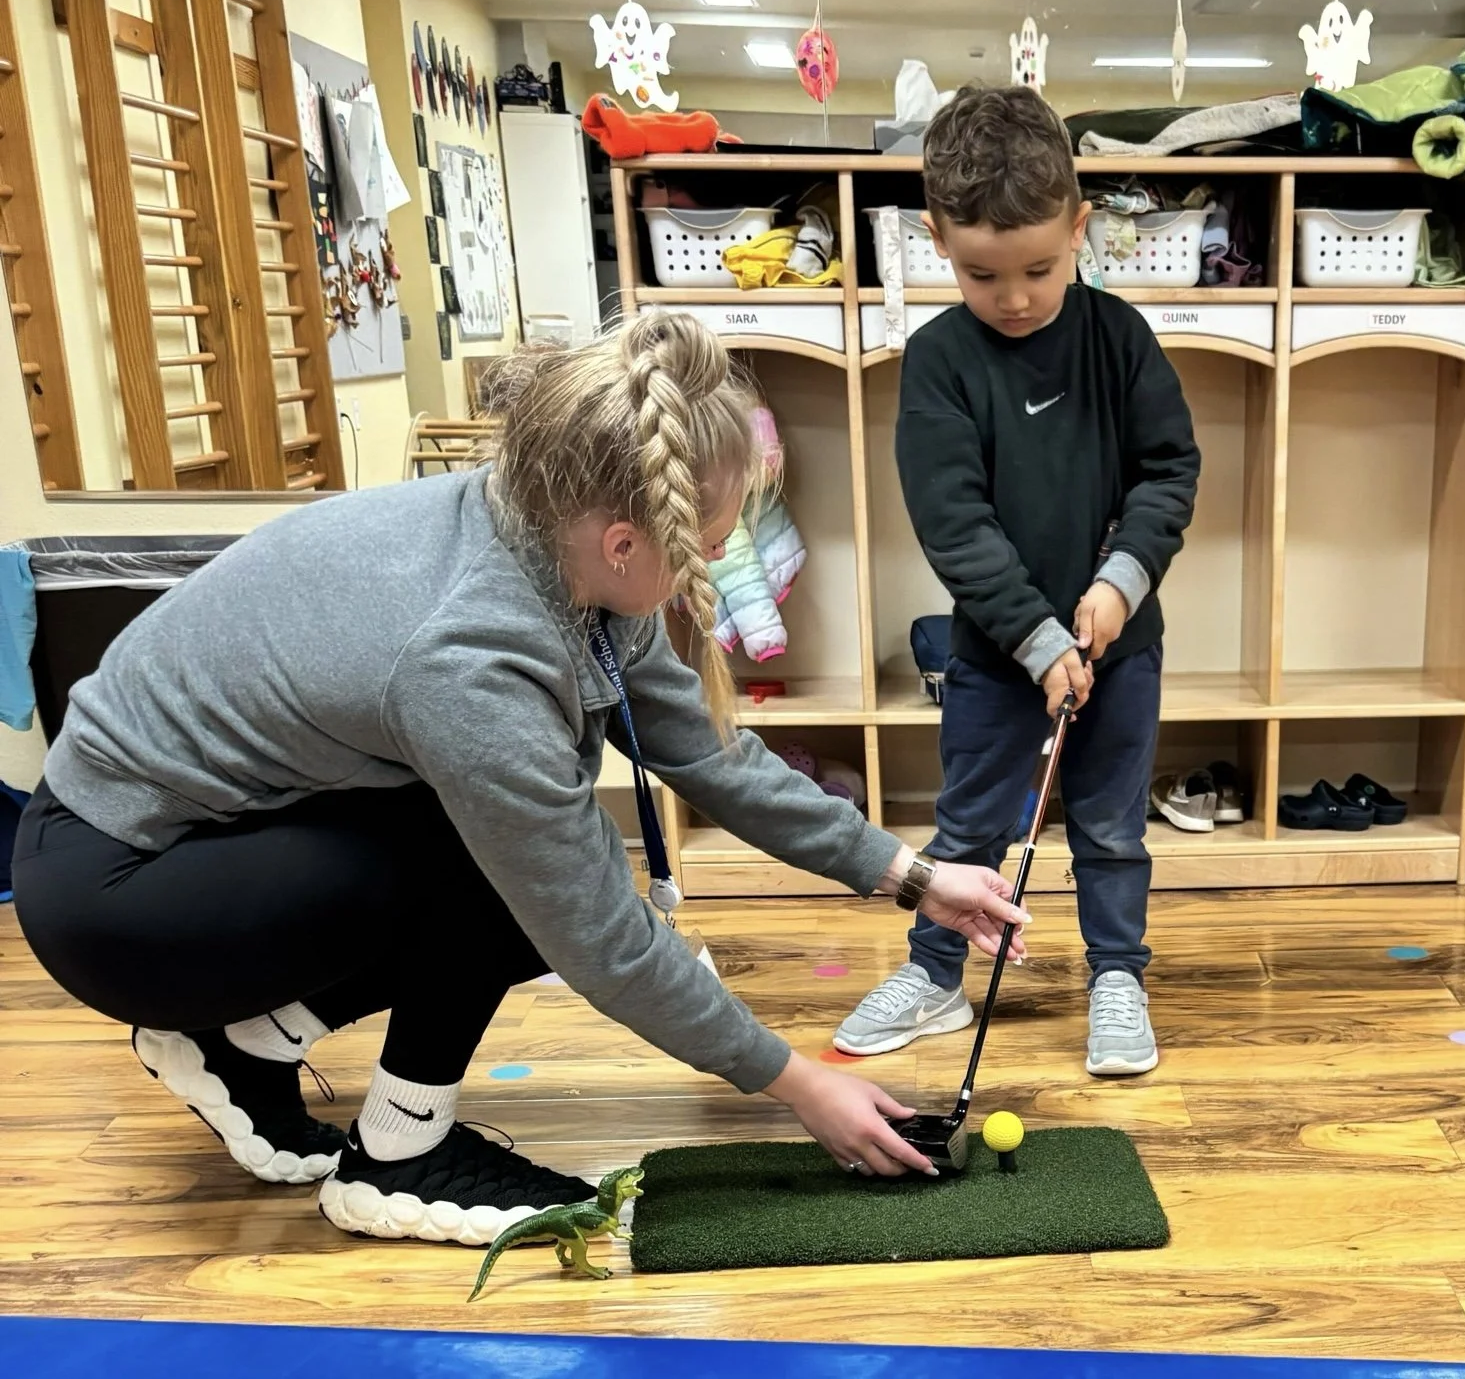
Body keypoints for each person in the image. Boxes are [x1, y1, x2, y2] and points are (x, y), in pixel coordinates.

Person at [9, 311, 1028, 1247]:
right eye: (710, 545)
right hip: (125, 893)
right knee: (516, 874)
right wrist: (800, 1085)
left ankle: (245, 1046)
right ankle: (398, 1158)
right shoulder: (470, 657)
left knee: (508, 855)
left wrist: (911, 875)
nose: (713, 563)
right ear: (626, 541)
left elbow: (706, 752)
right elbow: (599, 939)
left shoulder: (556, 528)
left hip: (214, 838)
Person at [833, 85, 1200, 1076]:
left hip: (1122, 649)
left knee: (1112, 827)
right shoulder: (938, 361)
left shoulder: (1119, 338)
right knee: (970, 824)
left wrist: (1120, 584)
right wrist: (1038, 641)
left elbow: (1169, 473)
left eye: (1040, 268)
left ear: (1080, 229)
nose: (1016, 298)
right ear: (935, 240)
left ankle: (1117, 975)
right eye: (982, 274)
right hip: (997, 658)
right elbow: (955, 525)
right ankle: (935, 975)